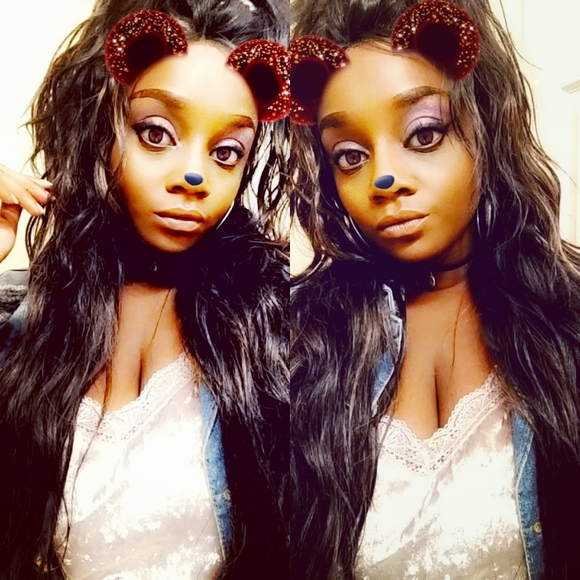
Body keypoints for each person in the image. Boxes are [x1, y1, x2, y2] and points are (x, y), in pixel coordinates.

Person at [290, 0, 580, 578]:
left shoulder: (566, 327)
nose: (383, 179)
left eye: (423, 134)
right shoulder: (308, 339)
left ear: (485, 124)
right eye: (350, 156)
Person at [0, 0, 289, 578]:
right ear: (99, 132)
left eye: (226, 151)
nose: (194, 176)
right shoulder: (19, 330)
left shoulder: (274, 330)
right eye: (156, 133)